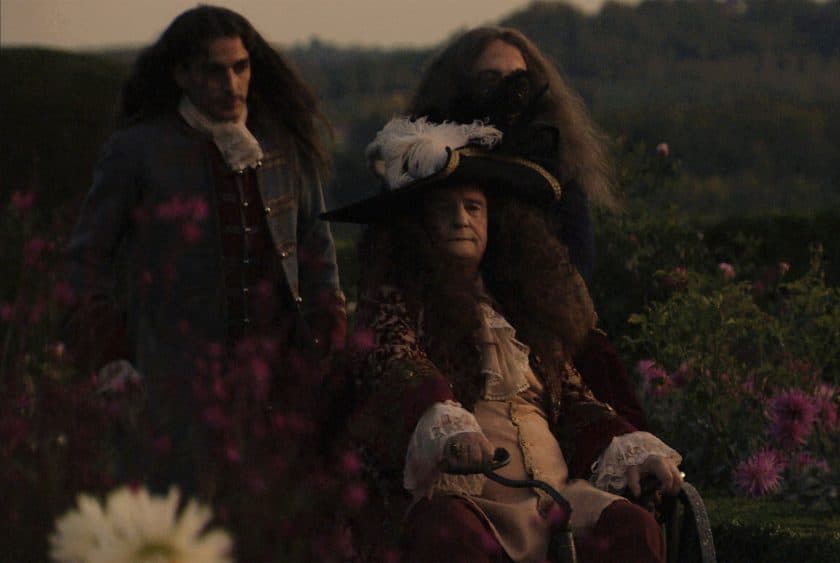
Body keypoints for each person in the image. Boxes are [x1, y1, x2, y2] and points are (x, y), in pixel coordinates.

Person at [329, 117, 683, 563]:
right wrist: (445, 424)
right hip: (474, 505)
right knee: (445, 530)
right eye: (445, 209)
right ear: (416, 226)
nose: (462, 219)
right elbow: (396, 362)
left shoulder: (522, 313)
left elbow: (576, 402)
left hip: (557, 502)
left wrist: (630, 452)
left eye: (473, 207)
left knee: (633, 528)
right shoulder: (398, 302)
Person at [64, 6, 345, 417]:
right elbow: (86, 260)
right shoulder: (139, 151)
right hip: (172, 382)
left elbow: (316, 252)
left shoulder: (284, 147)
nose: (231, 84)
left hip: (278, 383)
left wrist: (328, 336)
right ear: (182, 74)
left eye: (240, 68)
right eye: (214, 71)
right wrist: (109, 353)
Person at [408, 26, 648, 430]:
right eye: (490, 79)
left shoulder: (554, 167)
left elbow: (577, 264)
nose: (506, 90)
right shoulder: (430, 160)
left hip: (549, 333)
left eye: (517, 79)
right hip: (446, 326)